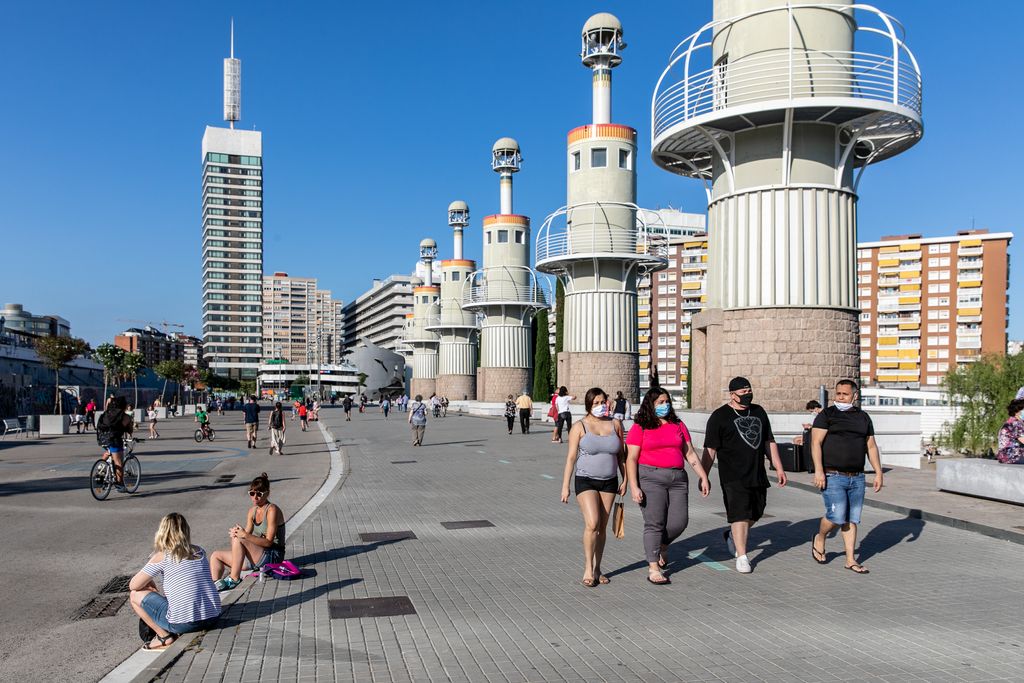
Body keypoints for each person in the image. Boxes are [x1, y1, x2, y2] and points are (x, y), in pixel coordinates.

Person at [625, 387, 710, 585]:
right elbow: (631, 458)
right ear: (650, 405)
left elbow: (689, 454)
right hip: (650, 477)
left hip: (678, 479)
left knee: (680, 522)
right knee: (655, 522)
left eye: (666, 401)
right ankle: (653, 567)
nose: (665, 405)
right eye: (660, 403)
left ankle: (661, 544)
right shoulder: (641, 426)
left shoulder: (677, 424)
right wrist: (634, 486)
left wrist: (703, 476)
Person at [703, 377, 787, 574]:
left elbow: (769, 441)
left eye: (749, 390)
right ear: (732, 395)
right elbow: (710, 449)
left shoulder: (758, 411)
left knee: (757, 511)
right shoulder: (719, 416)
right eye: (743, 392)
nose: (747, 394)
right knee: (740, 513)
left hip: (756, 472)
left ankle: (733, 535)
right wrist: (703, 475)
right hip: (732, 475)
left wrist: (779, 467)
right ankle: (742, 555)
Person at [810, 379, 883, 574]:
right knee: (836, 516)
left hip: (857, 477)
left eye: (845, 394)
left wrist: (878, 472)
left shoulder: (863, 418)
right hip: (833, 475)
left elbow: (871, 446)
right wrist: (819, 471)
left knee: (851, 519)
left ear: (855, 396)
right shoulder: (827, 415)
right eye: (838, 394)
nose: (840, 397)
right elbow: (815, 443)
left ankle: (850, 559)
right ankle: (820, 536)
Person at [560, 387, 626, 587]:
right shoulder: (580, 426)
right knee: (592, 523)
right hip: (585, 480)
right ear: (589, 405)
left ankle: (598, 568)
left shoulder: (615, 424)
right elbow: (571, 457)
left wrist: (626, 480)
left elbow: (622, 455)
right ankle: (588, 567)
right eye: (595, 403)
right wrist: (565, 486)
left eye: (602, 402)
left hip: (609, 481)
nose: (600, 406)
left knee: (603, 527)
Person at [129, 513, 221, 651]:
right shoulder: (200, 551)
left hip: (184, 624)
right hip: (213, 617)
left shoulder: (162, 556)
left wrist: (150, 582)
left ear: (163, 532)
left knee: (134, 595)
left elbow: (133, 585)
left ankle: (164, 637)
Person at [209, 472, 286, 590]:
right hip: (258, 555)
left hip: (273, 555)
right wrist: (238, 532)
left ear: (267, 494)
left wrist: (243, 535)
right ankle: (216, 587)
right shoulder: (252, 511)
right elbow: (246, 536)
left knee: (240, 539)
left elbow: (269, 542)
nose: (255, 497)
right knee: (216, 555)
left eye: (259, 494)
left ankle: (234, 578)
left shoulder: (272, 510)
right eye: (252, 493)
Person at [96, 396, 134, 492]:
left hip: (102, 438)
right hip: (114, 439)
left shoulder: (107, 413)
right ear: (124, 406)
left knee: (109, 451)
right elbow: (130, 430)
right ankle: (120, 484)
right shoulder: (125, 416)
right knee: (118, 462)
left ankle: (101, 467)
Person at [996, 399, 1024, 464]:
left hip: (1007, 455)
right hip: (1012, 455)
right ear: (1017, 411)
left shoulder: (1014, 421)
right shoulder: (1015, 423)